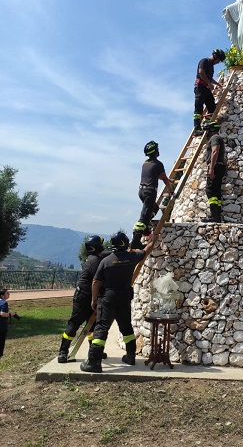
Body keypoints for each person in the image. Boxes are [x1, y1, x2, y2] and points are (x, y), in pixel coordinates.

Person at [80, 231, 152, 373]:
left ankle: (94, 362)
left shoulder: (106, 261)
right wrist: (154, 238)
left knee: (101, 328)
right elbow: (146, 250)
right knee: (125, 326)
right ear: (125, 244)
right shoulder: (131, 257)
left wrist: (94, 300)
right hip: (124, 296)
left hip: (108, 298)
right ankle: (130, 356)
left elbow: (96, 282)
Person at [57, 235, 109, 363]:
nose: (103, 247)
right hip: (84, 297)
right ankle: (63, 352)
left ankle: (94, 352)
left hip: (89, 295)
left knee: (93, 326)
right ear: (98, 247)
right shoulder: (94, 262)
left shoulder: (94, 257)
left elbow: (107, 254)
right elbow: (98, 281)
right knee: (75, 323)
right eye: (101, 245)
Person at [130, 141, 174, 250]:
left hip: (142, 191)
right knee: (143, 218)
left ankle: (145, 229)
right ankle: (136, 241)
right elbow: (163, 178)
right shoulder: (158, 164)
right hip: (150, 192)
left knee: (154, 208)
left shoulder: (145, 163)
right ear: (156, 151)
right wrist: (171, 191)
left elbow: (156, 175)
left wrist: (168, 179)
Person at [193, 49, 226, 136]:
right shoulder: (204, 61)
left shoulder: (211, 66)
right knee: (199, 107)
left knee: (211, 106)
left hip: (206, 88)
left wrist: (217, 84)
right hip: (200, 87)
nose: (218, 62)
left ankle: (206, 124)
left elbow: (210, 78)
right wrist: (209, 83)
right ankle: (197, 129)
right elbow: (201, 72)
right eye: (219, 60)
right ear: (215, 56)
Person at [201, 120, 226, 223]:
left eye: (206, 130)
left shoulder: (214, 138)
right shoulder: (219, 138)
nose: (205, 133)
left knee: (210, 190)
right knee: (216, 191)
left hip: (215, 167)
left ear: (211, 130)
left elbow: (215, 151)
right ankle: (217, 215)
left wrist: (211, 168)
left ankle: (214, 216)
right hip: (219, 166)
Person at [0, 288, 17, 358]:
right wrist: (11, 314)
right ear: (2, 295)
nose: (9, 294)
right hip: (2, 326)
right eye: (7, 293)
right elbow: (2, 313)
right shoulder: (4, 303)